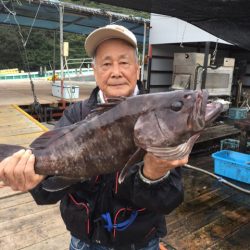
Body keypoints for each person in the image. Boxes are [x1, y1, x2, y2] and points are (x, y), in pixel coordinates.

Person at [0, 25, 188, 250]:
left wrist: (154, 176)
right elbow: (46, 190)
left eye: (124, 62)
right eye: (106, 64)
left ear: (138, 69)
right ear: (95, 70)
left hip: (140, 243)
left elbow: (169, 201)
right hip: (83, 242)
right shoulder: (76, 115)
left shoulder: (161, 114)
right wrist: (33, 181)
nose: (116, 71)